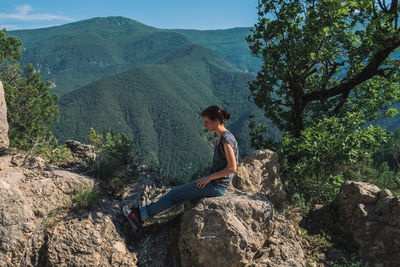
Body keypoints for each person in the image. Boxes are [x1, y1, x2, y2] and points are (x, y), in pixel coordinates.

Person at [122, 105, 239, 230]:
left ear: (216, 121)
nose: (205, 125)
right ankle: (142, 213)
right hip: (216, 184)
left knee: (174, 194)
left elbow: (232, 168)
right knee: (177, 192)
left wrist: (209, 178)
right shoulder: (224, 136)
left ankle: (139, 217)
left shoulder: (226, 140)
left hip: (216, 186)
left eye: (207, 122)